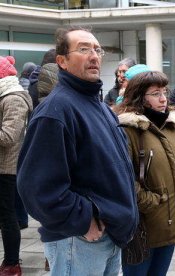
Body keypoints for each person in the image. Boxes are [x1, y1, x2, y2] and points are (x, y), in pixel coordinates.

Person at [17, 26, 138, 275]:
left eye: (97, 49)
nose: (94, 55)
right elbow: (36, 188)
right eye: (83, 49)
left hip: (108, 236)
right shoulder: (56, 110)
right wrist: (83, 221)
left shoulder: (98, 106)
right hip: (79, 240)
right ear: (62, 61)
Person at [114, 70, 175, 276]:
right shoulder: (128, 129)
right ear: (140, 97)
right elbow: (121, 178)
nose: (163, 98)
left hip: (171, 219)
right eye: (156, 93)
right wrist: (150, 201)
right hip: (144, 224)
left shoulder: (171, 126)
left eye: (164, 92)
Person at [0, 55, 33, 276]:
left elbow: (9, 136)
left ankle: (12, 263)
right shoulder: (5, 95)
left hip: (8, 167)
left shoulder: (13, 98)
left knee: (7, 216)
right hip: (4, 166)